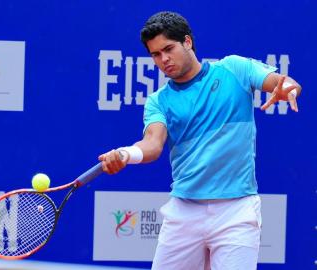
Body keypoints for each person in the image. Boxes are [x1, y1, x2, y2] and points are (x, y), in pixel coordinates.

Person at [98, 11, 301, 270]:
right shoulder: (158, 101)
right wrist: (126, 154)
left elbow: (284, 84)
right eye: (156, 55)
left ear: (188, 42)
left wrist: (288, 89)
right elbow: (152, 144)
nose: (164, 60)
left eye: (168, 49)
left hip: (236, 212)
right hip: (184, 213)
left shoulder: (234, 69)